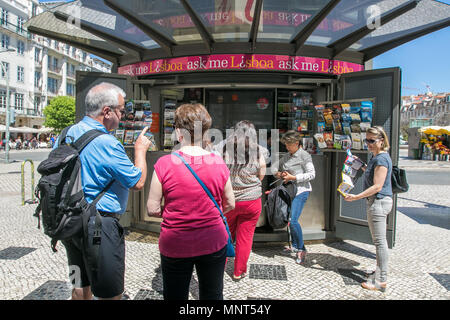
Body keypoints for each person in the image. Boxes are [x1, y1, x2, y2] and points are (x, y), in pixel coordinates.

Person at [54, 82, 151, 300]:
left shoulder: (65, 134)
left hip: (70, 223)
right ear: (107, 111)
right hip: (100, 228)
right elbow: (137, 181)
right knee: (110, 293)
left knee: (78, 282)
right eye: (121, 110)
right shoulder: (107, 143)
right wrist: (140, 150)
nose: (123, 115)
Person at [147, 103, 235, 300]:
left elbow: (152, 209)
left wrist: (176, 211)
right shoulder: (219, 163)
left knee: (175, 295)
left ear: (178, 132)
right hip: (213, 239)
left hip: (175, 242)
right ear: (205, 133)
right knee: (212, 295)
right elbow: (230, 203)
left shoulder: (164, 164)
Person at [344, 126, 393, 292]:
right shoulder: (376, 157)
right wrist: (362, 165)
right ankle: (380, 272)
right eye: (367, 140)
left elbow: (378, 186)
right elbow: (372, 174)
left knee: (380, 242)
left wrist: (356, 197)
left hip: (378, 202)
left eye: (372, 141)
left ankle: (381, 280)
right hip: (378, 202)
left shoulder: (381, 159)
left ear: (381, 140)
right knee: (379, 241)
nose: (368, 144)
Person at [222, 120, 266, 280]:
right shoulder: (258, 151)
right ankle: (238, 271)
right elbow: (261, 174)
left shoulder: (226, 149)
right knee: (245, 237)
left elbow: (221, 174)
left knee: (225, 235)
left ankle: (218, 268)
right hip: (252, 201)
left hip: (229, 201)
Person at [273, 130, 315, 264]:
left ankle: (301, 249)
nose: (286, 147)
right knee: (288, 218)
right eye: (285, 144)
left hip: (301, 190)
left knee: (293, 219)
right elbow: (274, 169)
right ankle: (294, 245)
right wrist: (280, 175)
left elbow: (312, 174)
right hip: (289, 190)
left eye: (288, 144)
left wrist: (294, 177)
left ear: (296, 143)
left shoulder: (304, 155)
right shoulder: (287, 156)